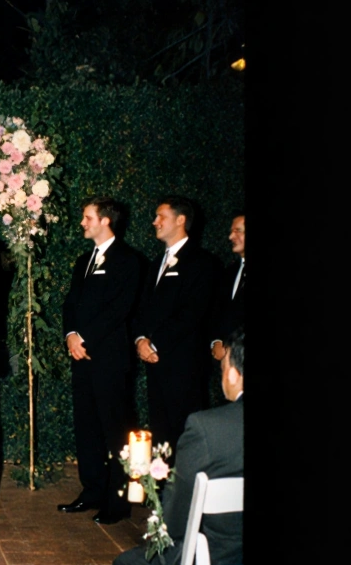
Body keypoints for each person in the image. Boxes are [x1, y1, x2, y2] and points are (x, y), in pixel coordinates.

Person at [111, 326, 244, 565]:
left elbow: (177, 514)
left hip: (216, 556)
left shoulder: (207, 428)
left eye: (223, 369)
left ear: (234, 375)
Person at [59, 197, 146, 525]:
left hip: (108, 358)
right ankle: (92, 490)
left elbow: (119, 308)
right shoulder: (84, 259)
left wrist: (86, 338)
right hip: (81, 357)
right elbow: (71, 303)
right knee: (87, 428)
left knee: (115, 430)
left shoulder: (128, 260)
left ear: (106, 221)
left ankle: (118, 501)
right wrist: (70, 334)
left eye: (87, 217)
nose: (83, 223)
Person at [130, 196, 220, 460]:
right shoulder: (156, 262)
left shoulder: (204, 263)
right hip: (154, 361)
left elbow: (192, 313)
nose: (154, 221)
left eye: (161, 216)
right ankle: (162, 490)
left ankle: (185, 493)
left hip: (184, 363)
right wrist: (139, 340)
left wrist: (154, 343)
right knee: (160, 429)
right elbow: (141, 309)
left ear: (180, 220)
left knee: (184, 431)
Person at [209, 213, 245, 361]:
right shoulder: (229, 272)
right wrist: (217, 341)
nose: (231, 237)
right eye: (231, 231)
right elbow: (219, 311)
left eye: (238, 231)